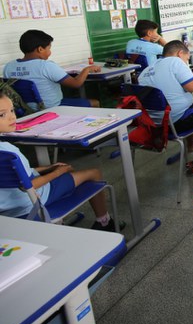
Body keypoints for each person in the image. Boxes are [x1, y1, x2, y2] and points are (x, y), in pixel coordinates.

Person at [0, 89, 122, 230]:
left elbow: (16, 173)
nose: (12, 118)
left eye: (12, 111)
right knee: (93, 173)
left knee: (60, 172)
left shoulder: (6, 152)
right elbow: (28, 185)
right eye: (2, 115)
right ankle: (105, 222)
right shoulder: (10, 151)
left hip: (6, 208)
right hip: (30, 201)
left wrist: (46, 168)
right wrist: (58, 171)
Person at [137, 40, 193, 175]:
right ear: (180, 54)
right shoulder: (175, 62)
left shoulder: (145, 71)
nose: (186, 62)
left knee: (192, 106)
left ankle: (192, 145)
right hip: (177, 120)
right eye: (186, 59)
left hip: (157, 126)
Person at [3, 29, 101, 110]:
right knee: (95, 103)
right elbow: (76, 83)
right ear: (40, 49)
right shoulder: (46, 66)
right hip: (51, 107)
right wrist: (87, 70)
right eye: (49, 48)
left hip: (24, 109)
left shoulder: (9, 66)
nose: (50, 52)